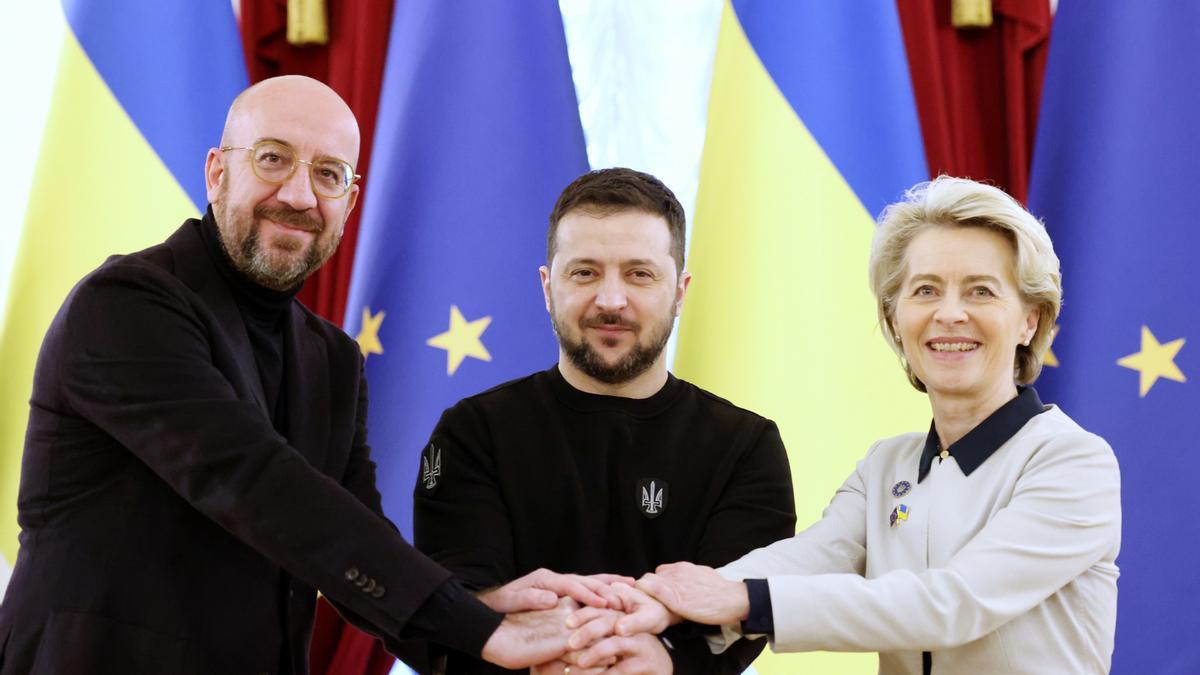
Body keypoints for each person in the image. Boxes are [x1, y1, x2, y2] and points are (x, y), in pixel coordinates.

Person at [0, 75, 618, 675]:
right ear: (217, 173)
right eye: (273, 159)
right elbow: (257, 483)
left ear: (349, 203)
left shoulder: (333, 359)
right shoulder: (126, 304)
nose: (299, 196)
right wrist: (480, 628)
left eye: (328, 174)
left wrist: (480, 617)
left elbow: (354, 537)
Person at [584, 177, 1121, 674]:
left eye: (981, 291)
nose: (949, 314)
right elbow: (809, 559)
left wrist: (744, 599)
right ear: (894, 319)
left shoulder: (1073, 462)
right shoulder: (886, 466)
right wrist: (653, 603)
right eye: (925, 290)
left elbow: (953, 603)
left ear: (1030, 318)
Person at [411, 168, 797, 674]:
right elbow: (450, 606)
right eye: (585, 272)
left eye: (639, 274)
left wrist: (662, 661)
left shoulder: (746, 446)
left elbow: (738, 612)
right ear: (548, 287)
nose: (611, 300)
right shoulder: (472, 432)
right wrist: (540, 640)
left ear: (680, 291)